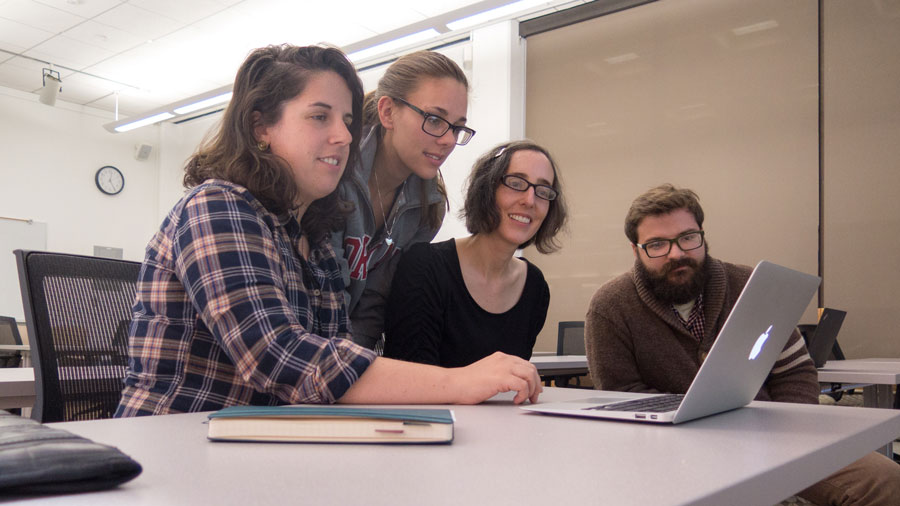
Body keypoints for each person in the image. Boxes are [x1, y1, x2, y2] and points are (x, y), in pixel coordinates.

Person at [115, 45, 540, 418]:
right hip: (176, 438)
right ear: (262, 127)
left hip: (263, 441)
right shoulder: (217, 207)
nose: (343, 136)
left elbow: (340, 343)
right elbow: (277, 355)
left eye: (348, 121)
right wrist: (457, 383)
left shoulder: (311, 239)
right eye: (320, 116)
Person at [584, 183, 900, 505]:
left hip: (776, 436)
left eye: (688, 238)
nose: (677, 253)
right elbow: (620, 398)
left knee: (884, 481)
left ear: (702, 235)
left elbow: (795, 371)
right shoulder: (610, 307)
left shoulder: (750, 285)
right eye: (657, 245)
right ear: (635, 250)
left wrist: (786, 444)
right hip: (674, 455)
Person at [331, 51, 475, 351]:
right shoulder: (333, 173)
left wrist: (354, 366)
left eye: (457, 127)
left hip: (344, 361)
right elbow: (318, 292)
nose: (448, 140)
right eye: (435, 119)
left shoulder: (427, 206)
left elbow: (372, 303)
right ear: (388, 112)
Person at [383, 141, 568, 366]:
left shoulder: (534, 286)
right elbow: (407, 378)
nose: (530, 200)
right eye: (516, 183)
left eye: (543, 191)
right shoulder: (425, 267)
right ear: (487, 189)